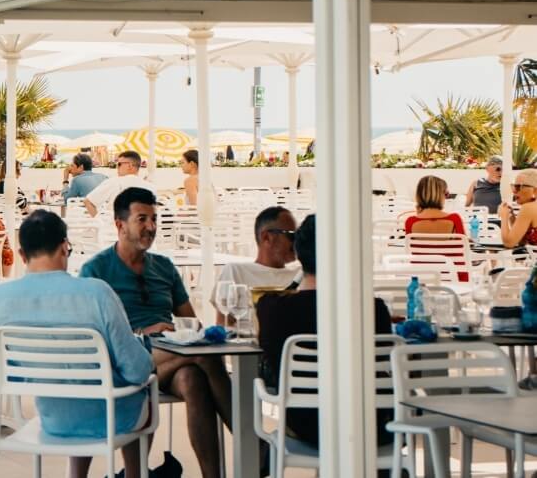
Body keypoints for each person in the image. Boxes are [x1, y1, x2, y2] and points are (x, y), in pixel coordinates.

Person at [0, 210, 173, 478]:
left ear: (21, 254)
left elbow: (1, 371)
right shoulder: (96, 293)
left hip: (52, 421)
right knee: (142, 389)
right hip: (114, 420)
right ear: (65, 247)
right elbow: (137, 371)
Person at [81, 187, 230, 478]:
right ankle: (253, 442)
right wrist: (145, 331)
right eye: (142, 219)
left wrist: (193, 332)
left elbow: (190, 321)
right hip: (123, 363)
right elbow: (92, 335)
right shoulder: (96, 270)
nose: (151, 227)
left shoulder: (164, 267)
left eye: (154, 219)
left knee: (193, 379)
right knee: (204, 357)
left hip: (167, 359)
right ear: (120, 225)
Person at [256, 214, 393, 449]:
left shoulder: (272, 309)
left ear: (298, 253)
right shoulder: (373, 309)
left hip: (307, 426)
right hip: (369, 426)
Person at [211, 206, 299, 325]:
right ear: (266, 237)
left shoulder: (301, 275)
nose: (297, 241)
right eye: (292, 236)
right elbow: (223, 325)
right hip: (245, 337)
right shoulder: (235, 271)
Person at [84, 150, 156, 217]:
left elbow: (88, 202)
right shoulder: (150, 187)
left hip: (115, 225)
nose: (117, 167)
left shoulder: (114, 182)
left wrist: (99, 221)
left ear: (130, 166)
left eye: (119, 164)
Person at [499, 169, 537, 247]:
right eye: (513, 186)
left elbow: (509, 243)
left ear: (534, 190)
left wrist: (504, 217)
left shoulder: (528, 208)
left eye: (518, 187)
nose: (514, 191)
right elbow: (521, 241)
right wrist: (511, 217)